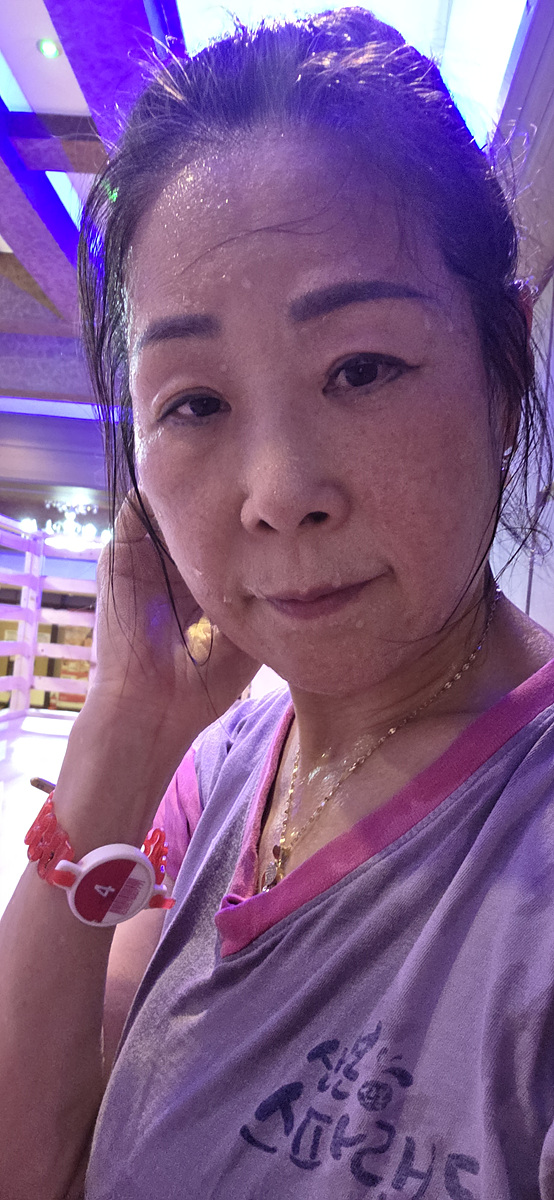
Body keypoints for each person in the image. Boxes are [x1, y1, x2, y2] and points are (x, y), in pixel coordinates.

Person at [1, 7, 554, 1198]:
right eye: (194, 403)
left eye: (361, 368)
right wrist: (124, 730)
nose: (278, 492)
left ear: (500, 369)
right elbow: (31, 1161)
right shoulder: (213, 773)